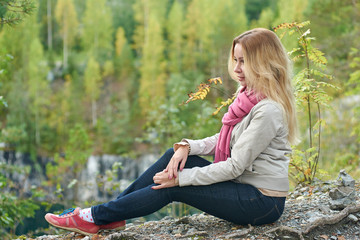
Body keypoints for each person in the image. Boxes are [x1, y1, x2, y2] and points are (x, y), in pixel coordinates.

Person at [45, 28, 298, 235]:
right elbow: (224, 140)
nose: (237, 68)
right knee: (173, 156)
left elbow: (234, 166)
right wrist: (186, 147)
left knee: (175, 184)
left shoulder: (268, 110)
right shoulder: (248, 96)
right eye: (236, 60)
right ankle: (110, 216)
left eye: (245, 61)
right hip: (244, 187)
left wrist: (180, 178)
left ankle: (95, 216)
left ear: (263, 62)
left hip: (262, 202)